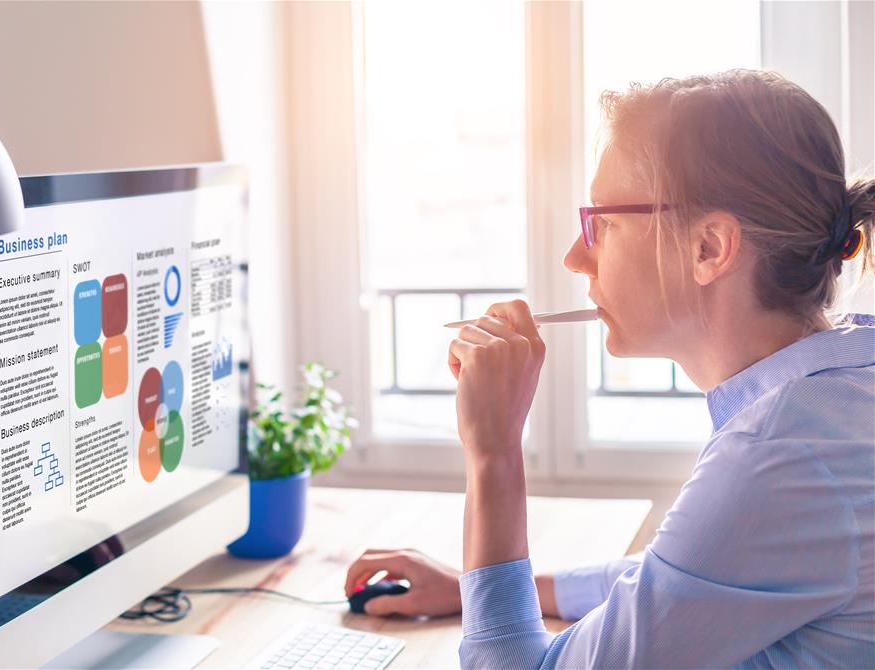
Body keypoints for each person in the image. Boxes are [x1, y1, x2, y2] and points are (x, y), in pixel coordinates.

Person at [344, 70, 875, 668]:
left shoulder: (778, 456)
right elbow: (684, 578)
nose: (576, 257)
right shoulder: (841, 393)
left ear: (710, 247)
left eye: (604, 223)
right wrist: (477, 590)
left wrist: (493, 451)